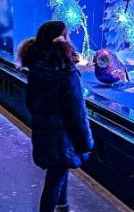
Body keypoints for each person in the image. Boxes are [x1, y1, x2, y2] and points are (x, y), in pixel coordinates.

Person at [19, 21, 94, 212]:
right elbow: (77, 112)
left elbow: (30, 102)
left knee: (59, 171)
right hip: (63, 136)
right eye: (67, 35)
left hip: (44, 132)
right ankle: (55, 207)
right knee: (54, 179)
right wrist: (86, 142)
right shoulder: (67, 72)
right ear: (61, 40)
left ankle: (63, 205)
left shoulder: (36, 68)